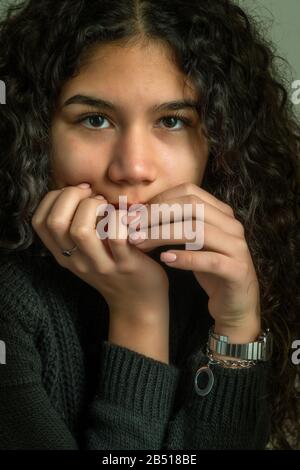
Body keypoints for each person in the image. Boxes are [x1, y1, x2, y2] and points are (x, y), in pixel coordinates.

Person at [0, 0, 299, 451]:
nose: (134, 168)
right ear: (35, 132)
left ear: (219, 143)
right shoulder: (9, 300)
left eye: (172, 121)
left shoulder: (229, 272)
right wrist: (140, 313)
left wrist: (236, 325)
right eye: (95, 120)